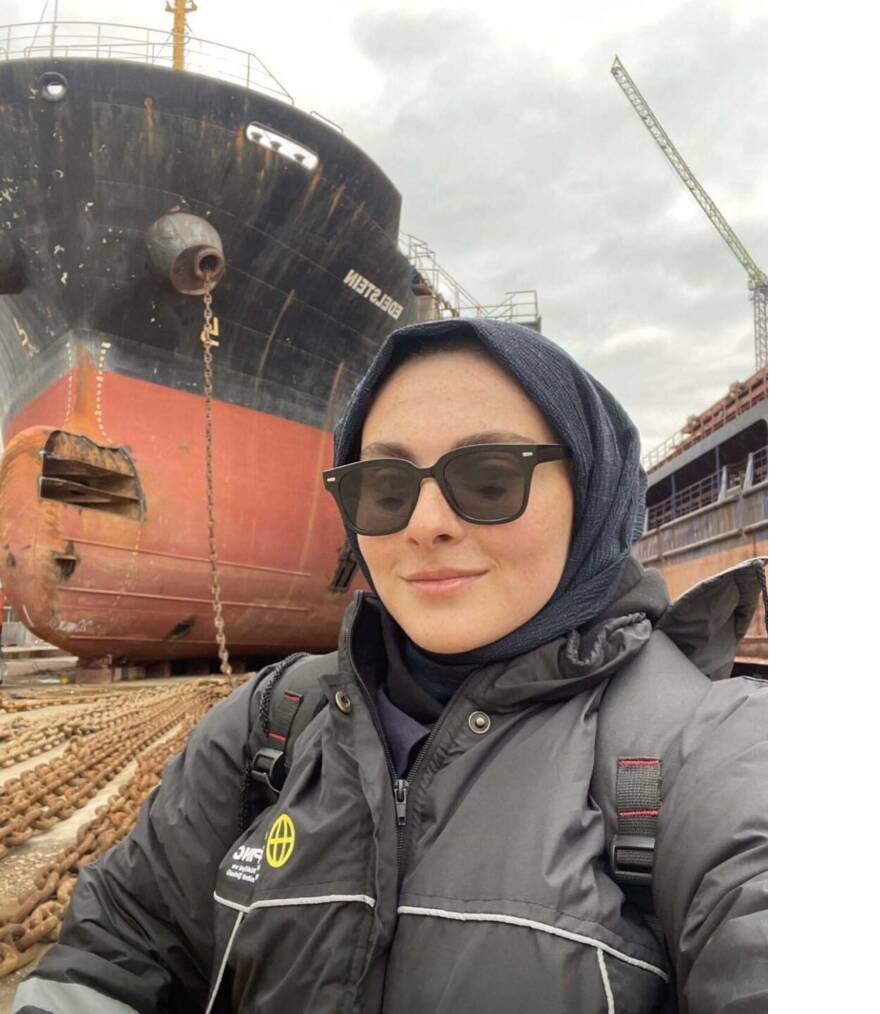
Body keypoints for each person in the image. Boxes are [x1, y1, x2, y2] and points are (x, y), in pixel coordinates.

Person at [14, 318, 768, 1014]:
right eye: (384, 487)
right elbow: (117, 948)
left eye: (490, 478)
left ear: (593, 491)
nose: (425, 524)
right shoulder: (266, 727)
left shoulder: (713, 755)